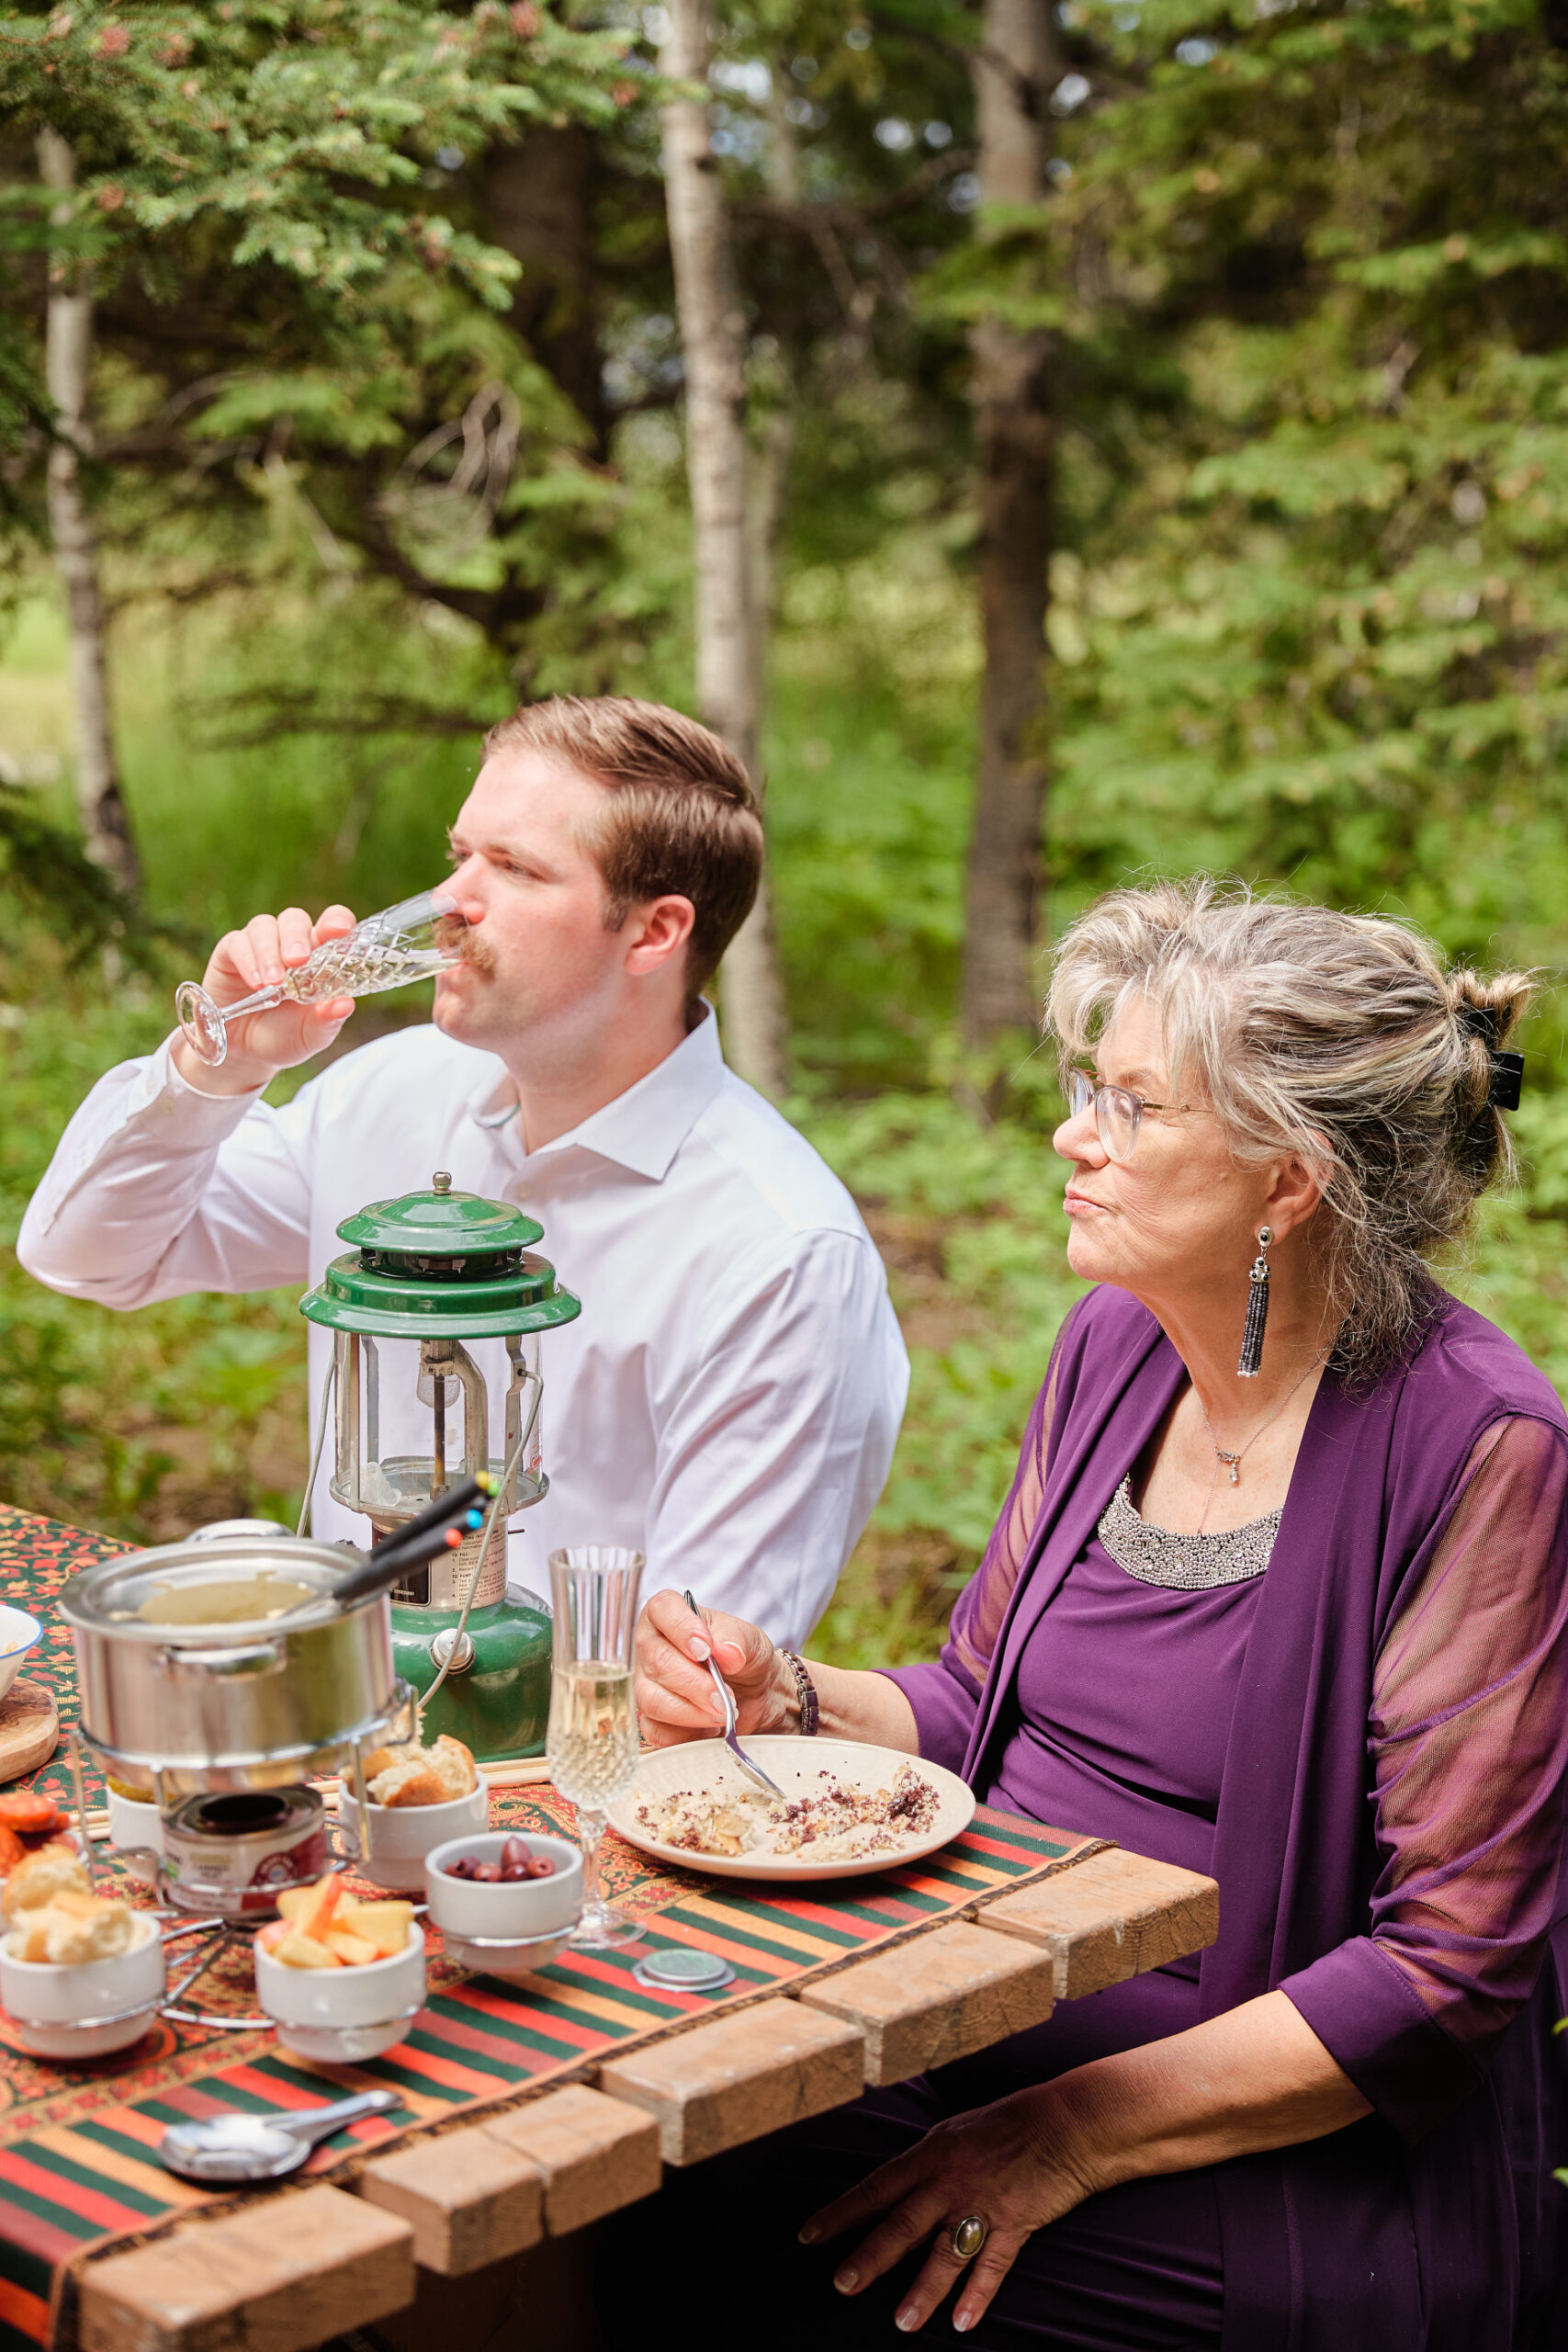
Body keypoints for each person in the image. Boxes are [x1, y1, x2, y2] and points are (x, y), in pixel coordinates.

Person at [628, 880, 1568, 2351]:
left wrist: (1058, 2135)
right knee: (647, 2169)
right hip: (965, 2024)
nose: (1074, 1136)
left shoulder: (1476, 1448)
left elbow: (1442, 1970)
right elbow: (970, 1702)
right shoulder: (1117, 1341)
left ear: (1283, 1182)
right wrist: (786, 1698)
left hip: (1263, 2159)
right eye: (1090, 1088)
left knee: (805, 2272)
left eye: (1134, 1106)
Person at [18, 697, 908, 1645]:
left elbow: (701, 1680)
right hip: (343, 1714)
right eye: (459, 856)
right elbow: (90, 1256)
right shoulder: (395, 1091)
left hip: (565, 1766)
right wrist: (218, 1062)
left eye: (515, 868)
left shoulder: (781, 1255)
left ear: (653, 933)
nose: (449, 902)